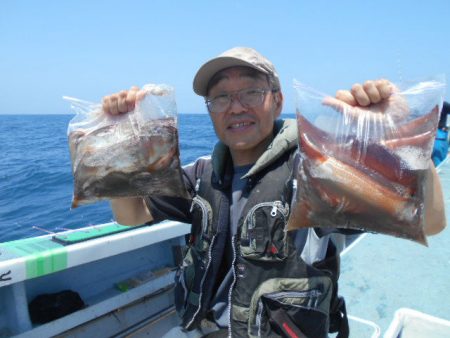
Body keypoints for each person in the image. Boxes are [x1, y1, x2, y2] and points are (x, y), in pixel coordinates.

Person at [102, 47, 446, 338]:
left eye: (251, 92)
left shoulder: (316, 172)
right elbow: (131, 215)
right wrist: (123, 141)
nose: (236, 107)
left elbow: (429, 222)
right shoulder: (202, 174)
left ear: (277, 101)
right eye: (220, 97)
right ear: (210, 109)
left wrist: (400, 139)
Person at [432, 101, 449, 166]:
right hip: (439, 137)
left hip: (425, 135)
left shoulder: (423, 103)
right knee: (439, 165)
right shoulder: (442, 103)